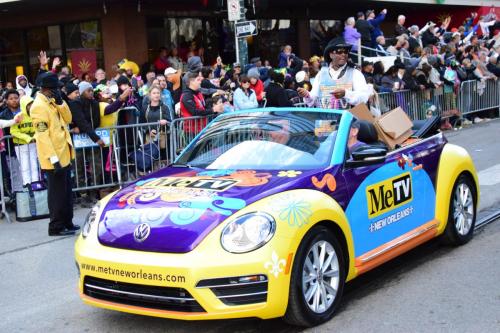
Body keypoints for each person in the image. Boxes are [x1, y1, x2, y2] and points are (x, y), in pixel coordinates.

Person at [30, 72, 78, 236]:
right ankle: (56, 226)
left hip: (64, 153)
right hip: (54, 158)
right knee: (57, 195)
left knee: (66, 193)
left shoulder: (52, 102)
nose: (56, 91)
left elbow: (69, 119)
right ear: (45, 89)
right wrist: (53, 159)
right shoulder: (38, 106)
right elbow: (42, 136)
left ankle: (67, 222)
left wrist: (60, 102)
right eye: (54, 89)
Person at [298, 37, 370, 109]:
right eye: (339, 51)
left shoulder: (355, 73)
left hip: (346, 119)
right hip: (324, 119)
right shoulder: (321, 74)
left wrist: (346, 94)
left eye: (346, 51)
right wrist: (307, 95)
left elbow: (363, 97)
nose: (343, 54)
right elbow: (314, 98)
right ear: (331, 55)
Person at [10, 95, 39, 187]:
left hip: (33, 143)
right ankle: (27, 184)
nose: (31, 106)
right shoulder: (18, 116)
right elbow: (13, 131)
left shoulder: (36, 115)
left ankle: (35, 182)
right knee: (24, 165)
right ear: (24, 105)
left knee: (34, 163)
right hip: (20, 145)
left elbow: (39, 128)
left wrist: (34, 137)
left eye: (32, 104)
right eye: (28, 104)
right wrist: (27, 138)